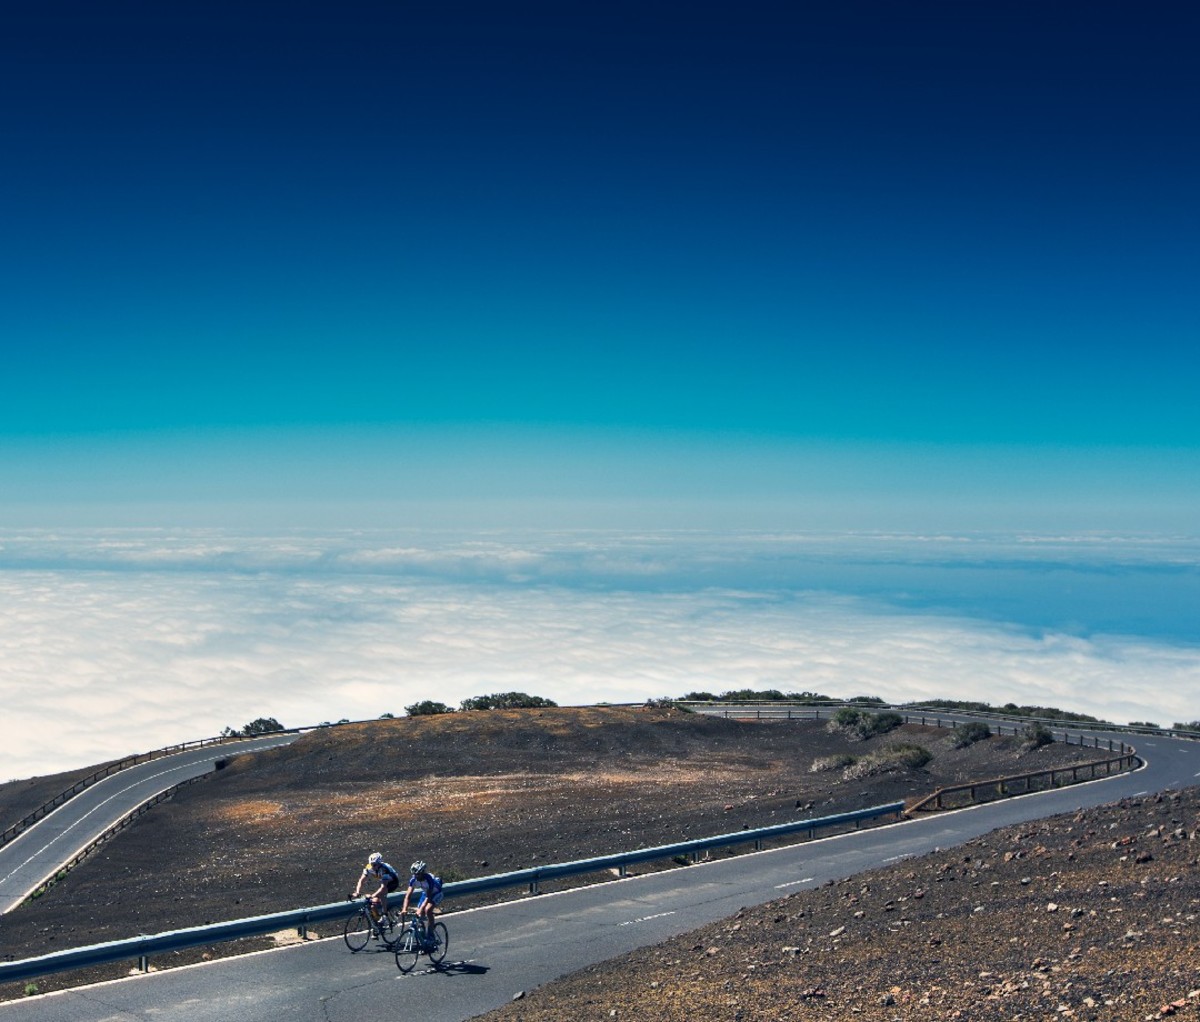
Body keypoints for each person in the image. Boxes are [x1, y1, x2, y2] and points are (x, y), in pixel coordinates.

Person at [352, 852, 400, 928]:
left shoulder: (384, 870)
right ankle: (378, 925)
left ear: (379, 864)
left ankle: (385, 915)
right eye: (371, 864)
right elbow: (361, 880)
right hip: (383, 881)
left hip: (392, 883)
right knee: (372, 905)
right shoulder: (369, 867)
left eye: (374, 864)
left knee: (381, 893)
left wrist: (373, 895)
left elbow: (383, 887)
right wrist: (357, 892)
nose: (372, 866)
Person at [400, 860, 444, 942]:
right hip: (426, 893)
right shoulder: (413, 880)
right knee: (419, 916)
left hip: (436, 893)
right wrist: (404, 909)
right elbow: (408, 896)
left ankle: (431, 935)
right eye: (414, 874)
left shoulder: (429, 879)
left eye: (417, 874)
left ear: (422, 872)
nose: (415, 876)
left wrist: (420, 909)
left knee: (427, 910)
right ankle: (423, 941)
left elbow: (429, 897)